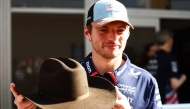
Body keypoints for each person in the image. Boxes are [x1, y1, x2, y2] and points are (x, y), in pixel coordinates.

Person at [10, 0, 162, 109]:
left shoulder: (146, 82)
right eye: (103, 29)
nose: (112, 37)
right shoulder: (68, 77)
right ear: (87, 32)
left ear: (128, 34)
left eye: (120, 30)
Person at [145, 30, 187, 104]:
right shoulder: (170, 59)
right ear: (168, 41)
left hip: (151, 99)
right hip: (165, 101)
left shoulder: (151, 59)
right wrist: (183, 77)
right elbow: (174, 84)